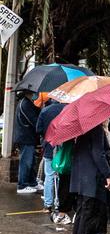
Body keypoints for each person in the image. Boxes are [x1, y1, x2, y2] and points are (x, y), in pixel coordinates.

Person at [67, 122, 110, 234]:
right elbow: (98, 154)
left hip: (81, 178)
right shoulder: (96, 129)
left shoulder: (82, 129)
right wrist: (109, 175)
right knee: (89, 216)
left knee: (81, 215)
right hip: (92, 179)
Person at [36, 96, 73, 225]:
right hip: (65, 150)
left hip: (49, 146)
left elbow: (38, 129)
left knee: (49, 176)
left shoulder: (46, 111)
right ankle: (60, 204)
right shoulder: (70, 109)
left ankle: (47, 205)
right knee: (63, 178)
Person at [14, 95, 41, 193]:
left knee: (31, 161)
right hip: (26, 138)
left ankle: (31, 182)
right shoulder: (26, 104)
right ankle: (22, 185)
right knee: (26, 162)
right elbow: (34, 121)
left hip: (27, 137)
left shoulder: (25, 103)